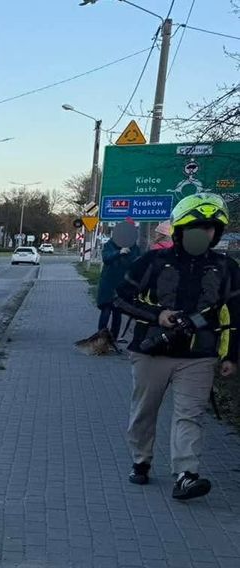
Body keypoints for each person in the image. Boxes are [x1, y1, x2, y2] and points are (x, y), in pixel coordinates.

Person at [115, 193, 240, 500]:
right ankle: (140, 461)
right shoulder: (154, 261)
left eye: (212, 228)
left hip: (198, 355)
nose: (206, 233)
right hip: (151, 351)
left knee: (190, 415)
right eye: (199, 226)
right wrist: (159, 315)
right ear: (182, 228)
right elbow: (119, 298)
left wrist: (231, 355)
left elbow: (235, 315)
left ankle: (185, 474)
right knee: (145, 411)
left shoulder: (226, 267)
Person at [97, 222, 140, 342]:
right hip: (109, 283)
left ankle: (114, 338)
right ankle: (101, 336)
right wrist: (119, 253)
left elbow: (137, 262)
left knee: (118, 312)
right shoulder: (110, 244)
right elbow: (106, 258)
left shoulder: (134, 247)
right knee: (106, 309)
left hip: (122, 285)